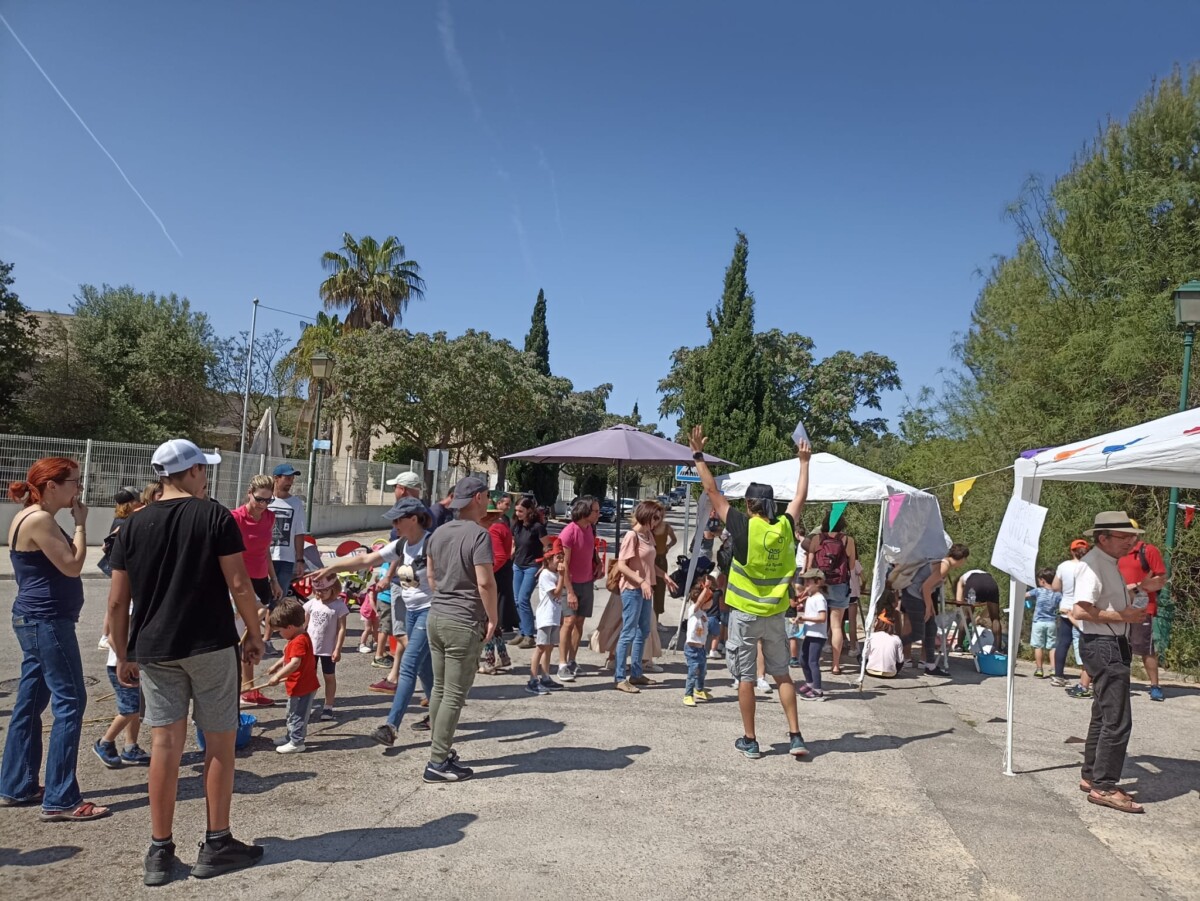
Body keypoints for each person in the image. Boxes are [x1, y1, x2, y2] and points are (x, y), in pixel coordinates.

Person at [107, 439, 265, 884]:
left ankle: (159, 850)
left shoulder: (133, 526)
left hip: (155, 648)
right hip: (210, 644)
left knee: (164, 745)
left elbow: (118, 602)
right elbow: (239, 583)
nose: (206, 476)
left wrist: (123, 654)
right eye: (204, 469)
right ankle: (217, 842)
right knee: (218, 743)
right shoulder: (213, 515)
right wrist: (253, 633)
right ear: (192, 471)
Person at [690, 423, 813, 760]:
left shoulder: (743, 526)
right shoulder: (785, 527)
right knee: (782, 674)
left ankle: (751, 740)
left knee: (746, 677)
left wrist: (698, 455)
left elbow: (713, 492)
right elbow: (800, 497)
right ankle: (796, 736)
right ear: (772, 504)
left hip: (745, 615)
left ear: (748, 504)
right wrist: (804, 462)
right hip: (775, 614)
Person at [1, 457, 110, 822]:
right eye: (74, 482)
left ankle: (17, 785)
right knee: (71, 702)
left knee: (30, 704)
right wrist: (80, 525)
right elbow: (73, 565)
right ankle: (62, 798)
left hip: (38, 620)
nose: (78, 489)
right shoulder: (39, 519)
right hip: (46, 622)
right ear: (52, 486)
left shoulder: (33, 516)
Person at [316, 498, 437, 746]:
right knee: (423, 667)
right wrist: (331, 568)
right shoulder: (402, 544)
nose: (394, 525)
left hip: (430, 612)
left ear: (414, 519)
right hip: (412, 612)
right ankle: (438, 714)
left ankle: (391, 727)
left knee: (409, 665)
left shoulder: (432, 543)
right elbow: (365, 561)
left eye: (398, 520)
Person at [1073, 511, 1149, 814]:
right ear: (1103, 538)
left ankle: (1093, 776)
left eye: (1132, 536)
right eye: (1124, 536)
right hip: (1104, 644)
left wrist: (1128, 601)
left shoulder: (1105, 563)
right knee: (1116, 720)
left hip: (1108, 643)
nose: (1130, 541)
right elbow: (1080, 611)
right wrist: (1124, 616)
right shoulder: (1093, 565)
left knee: (1105, 715)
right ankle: (1104, 786)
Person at [423, 475, 498, 782]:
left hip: (437, 615)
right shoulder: (479, 535)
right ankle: (437, 762)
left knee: (440, 689)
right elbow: (485, 581)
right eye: (487, 496)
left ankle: (439, 750)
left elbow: (430, 577)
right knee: (454, 694)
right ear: (478, 498)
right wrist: (493, 617)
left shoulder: (438, 533)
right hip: (463, 620)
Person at [612, 500, 677, 694]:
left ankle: (637, 673)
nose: (657, 522)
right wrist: (641, 581)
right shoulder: (632, 536)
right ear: (646, 514)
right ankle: (620, 677)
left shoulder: (648, 534)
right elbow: (623, 565)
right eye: (655, 517)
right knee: (628, 633)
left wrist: (664, 576)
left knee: (644, 631)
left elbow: (648, 563)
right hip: (633, 590)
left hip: (647, 588)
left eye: (660, 518)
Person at [233, 476, 282, 708]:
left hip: (261, 578)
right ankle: (239, 689)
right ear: (249, 493)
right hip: (239, 581)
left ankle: (248, 689)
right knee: (239, 634)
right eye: (259, 499)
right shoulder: (235, 518)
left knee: (251, 635)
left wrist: (274, 579)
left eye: (268, 500)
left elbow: (265, 551)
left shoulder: (269, 517)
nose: (262, 505)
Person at [900, 545, 970, 677]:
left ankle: (930, 665)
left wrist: (930, 606)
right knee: (918, 632)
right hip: (913, 596)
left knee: (930, 629)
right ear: (962, 559)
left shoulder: (943, 563)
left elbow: (928, 588)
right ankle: (893, 648)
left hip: (918, 596)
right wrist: (927, 606)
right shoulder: (943, 566)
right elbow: (925, 587)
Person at [264, 600, 319, 754]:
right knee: (291, 712)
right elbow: (288, 656)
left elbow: (295, 663)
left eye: (280, 631)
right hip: (298, 685)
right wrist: (276, 665)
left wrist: (277, 676)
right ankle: (291, 736)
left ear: (290, 627)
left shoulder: (298, 641)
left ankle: (297, 742)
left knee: (297, 715)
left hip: (303, 686)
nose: (280, 635)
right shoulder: (297, 637)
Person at [1116, 536, 1167, 702]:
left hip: (1142, 607)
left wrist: (1138, 587)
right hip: (1119, 607)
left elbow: (1161, 580)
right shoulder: (1115, 551)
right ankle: (1121, 683)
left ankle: (1155, 686)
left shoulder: (1147, 550)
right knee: (1120, 646)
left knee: (1146, 648)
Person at [557, 496, 601, 683]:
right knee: (568, 621)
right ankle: (561, 664)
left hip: (587, 581)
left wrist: (598, 563)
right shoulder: (569, 532)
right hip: (571, 583)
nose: (598, 514)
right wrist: (570, 591)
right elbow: (564, 564)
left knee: (580, 622)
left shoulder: (590, 528)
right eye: (596, 511)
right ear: (585, 512)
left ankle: (573, 660)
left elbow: (591, 549)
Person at [809, 512, 856, 675]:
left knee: (816, 623)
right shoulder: (848, 540)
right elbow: (851, 567)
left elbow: (809, 567)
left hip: (819, 585)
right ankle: (835, 665)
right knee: (836, 626)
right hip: (839, 585)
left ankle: (813, 661)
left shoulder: (817, 539)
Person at [303, 572, 349, 720]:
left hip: (328, 650)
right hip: (311, 649)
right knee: (309, 678)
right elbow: (303, 626)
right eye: (317, 590)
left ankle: (328, 706)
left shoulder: (339, 606)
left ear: (333, 588)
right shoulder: (311, 604)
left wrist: (338, 648)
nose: (320, 593)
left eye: (324, 590)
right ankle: (307, 705)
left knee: (329, 677)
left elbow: (342, 628)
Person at [479, 500, 515, 673]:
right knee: (494, 621)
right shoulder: (502, 526)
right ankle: (503, 656)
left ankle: (490, 661)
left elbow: (500, 556)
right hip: (502, 575)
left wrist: (486, 574)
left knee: (488, 620)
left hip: (495, 577)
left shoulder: (493, 529)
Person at [527, 539, 566, 695]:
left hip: (554, 616)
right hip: (545, 616)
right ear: (549, 559)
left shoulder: (554, 573)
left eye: (562, 557)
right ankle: (532, 679)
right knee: (541, 647)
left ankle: (545, 676)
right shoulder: (546, 575)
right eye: (558, 557)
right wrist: (562, 576)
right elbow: (556, 593)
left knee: (549, 647)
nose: (560, 561)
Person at [268, 463, 307, 614]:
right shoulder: (265, 500)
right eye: (287, 477)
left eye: (292, 478)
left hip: (285, 559)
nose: (290, 481)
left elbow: (299, 533)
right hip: (264, 557)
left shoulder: (296, 503)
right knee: (261, 597)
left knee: (279, 598)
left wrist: (300, 560)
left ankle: (268, 635)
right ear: (276, 478)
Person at [510, 496, 548, 649]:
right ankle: (522, 631)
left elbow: (548, 546)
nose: (518, 513)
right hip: (517, 565)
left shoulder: (538, 527)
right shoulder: (516, 526)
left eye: (521, 511)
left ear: (529, 511)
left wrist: (545, 564)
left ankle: (529, 635)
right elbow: (514, 545)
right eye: (517, 510)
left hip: (532, 566)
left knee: (523, 599)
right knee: (516, 600)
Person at [1051, 539, 1089, 688]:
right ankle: (1086, 676)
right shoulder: (1089, 566)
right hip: (1085, 608)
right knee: (1087, 642)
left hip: (1066, 608)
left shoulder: (1063, 566)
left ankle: (1058, 675)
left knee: (1064, 642)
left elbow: (1055, 587)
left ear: (1071, 551)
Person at [682, 576, 714, 707]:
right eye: (710, 600)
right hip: (692, 649)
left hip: (701, 649)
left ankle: (699, 690)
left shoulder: (703, 614)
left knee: (702, 671)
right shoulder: (693, 610)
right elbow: (699, 602)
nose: (712, 603)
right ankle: (688, 695)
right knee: (693, 672)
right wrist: (706, 588)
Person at [955, 567, 1003, 653]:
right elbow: (988, 607)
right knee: (995, 618)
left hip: (973, 587)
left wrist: (961, 603)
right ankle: (998, 648)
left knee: (966, 616)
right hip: (992, 586)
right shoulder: (986, 575)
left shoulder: (962, 578)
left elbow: (958, 601)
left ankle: (959, 645)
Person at [98, 486, 141, 578]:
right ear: (131, 503)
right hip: (123, 566)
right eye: (138, 500)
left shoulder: (120, 519)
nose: (141, 503)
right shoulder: (125, 522)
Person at [1025, 568, 1061, 678]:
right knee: (1052, 647)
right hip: (1051, 622)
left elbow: (1025, 595)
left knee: (1038, 646)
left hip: (1038, 622)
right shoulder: (1058, 594)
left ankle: (1039, 669)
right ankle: (1054, 669)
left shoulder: (1038, 591)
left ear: (1042, 581)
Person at [651, 513, 678, 626]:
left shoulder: (667, 527)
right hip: (650, 559)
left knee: (660, 590)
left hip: (661, 560)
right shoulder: (650, 527)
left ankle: (655, 621)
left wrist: (668, 547)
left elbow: (674, 540)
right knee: (648, 589)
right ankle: (647, 621)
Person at [864, 610, 905, 678]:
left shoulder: (871, 636)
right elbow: (900, 660)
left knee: (860, 656)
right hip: (890, 674)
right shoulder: (896, 639)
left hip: (871, 671)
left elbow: (865, 655)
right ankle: (889, 669)